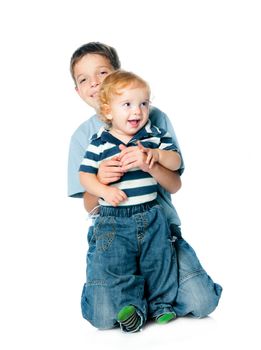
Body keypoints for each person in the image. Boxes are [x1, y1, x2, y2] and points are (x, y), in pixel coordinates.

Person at [68, 42, 222, 329]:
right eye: (84, 79)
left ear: (119, 74)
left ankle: (151, 296)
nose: (96, 82)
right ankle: (134, 296)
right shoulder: (86, 137)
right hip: (114, 230)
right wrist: (101, 181)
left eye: (103, 72)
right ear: (78, 90)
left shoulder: (151, 119)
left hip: (158, 226)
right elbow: (89, 203)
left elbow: (174, 184)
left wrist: (151, 162)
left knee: (202, 302)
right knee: (103, 317)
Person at [79, 70, 182, 332]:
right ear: (108, 111)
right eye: (127, 104)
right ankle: (133, 308)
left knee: (158, 262)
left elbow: (176, 161)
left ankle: (161, 306)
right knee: (117, 266)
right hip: (114, 219)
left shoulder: (153, 135)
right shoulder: (100, 142)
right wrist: (103, 188)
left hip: (152, 214)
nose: (137, 111)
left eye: (144, 103)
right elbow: (84, 177)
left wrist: (156, 155)